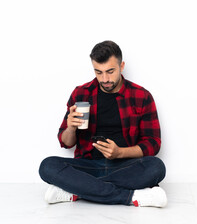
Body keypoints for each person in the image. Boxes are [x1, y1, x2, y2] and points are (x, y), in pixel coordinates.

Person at [39, 40, 167, 207]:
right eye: (98, 72)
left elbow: (153, 144)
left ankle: (76, 190)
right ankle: (129, 197)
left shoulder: (141, 96)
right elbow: (66, 142)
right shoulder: (81, 93)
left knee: (156, 167)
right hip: (88, 165)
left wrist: (119, 153)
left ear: (122, 66)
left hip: (125, 166)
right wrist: (70, 128)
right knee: (47, 166)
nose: (104, 79)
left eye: (110, 71)